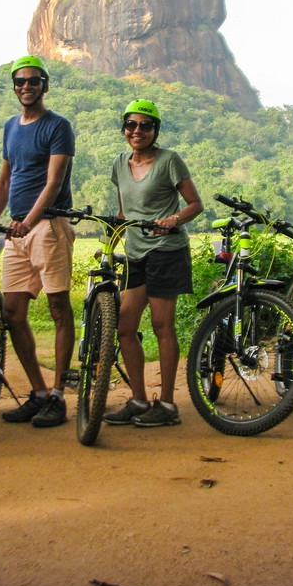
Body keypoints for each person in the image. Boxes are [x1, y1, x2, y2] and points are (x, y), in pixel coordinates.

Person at [0, 55, 76, 428]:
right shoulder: (10, 127)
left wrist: (29, 222)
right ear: (14, 87)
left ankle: (59, 395)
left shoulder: (58, 126)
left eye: (33, 81)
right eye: (20, 82)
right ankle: (39, 393)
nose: (26, 87)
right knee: (12, 313)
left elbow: (53, 181)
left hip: (48, 226)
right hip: (16, 230)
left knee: (58, 308)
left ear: (44, 85)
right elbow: (5, 180)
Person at [103, 100, 203, 427]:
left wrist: (174, 219)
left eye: (146, 126)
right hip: (136, 254)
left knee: (162, 325)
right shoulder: (119, 163)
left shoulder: (169, 160)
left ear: (155, 130)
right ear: (124, 128)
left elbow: (195, 204)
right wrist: (109, 245)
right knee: (125, 327)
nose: (138, 131)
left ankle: (168, 405)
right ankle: (138, 399)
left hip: (166, 250)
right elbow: (124, 213)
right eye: (131, 125)